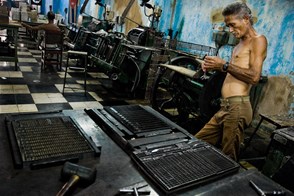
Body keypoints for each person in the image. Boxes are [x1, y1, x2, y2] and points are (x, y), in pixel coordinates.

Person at [195, 2, 267, 161]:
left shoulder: (258, 40)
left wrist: (224, 65)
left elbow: (254, 77)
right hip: (224, 106)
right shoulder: (239, 45)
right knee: (197, 143)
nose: (231, 30)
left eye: (233, 25)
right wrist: (214, 66)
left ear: (246, 19)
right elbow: (233, 72)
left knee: (228, 158)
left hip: (237, 107)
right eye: (228, 26)